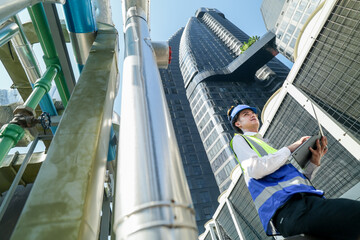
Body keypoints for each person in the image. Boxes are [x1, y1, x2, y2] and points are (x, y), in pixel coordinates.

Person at [227, 104, 360, 240]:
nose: (252, 115)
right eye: (245, 114)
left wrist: (314, 161)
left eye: (252, 112)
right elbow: (255, 170)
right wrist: (291, 147)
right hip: (292, 209)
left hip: (299, 207)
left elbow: (298, 181)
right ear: (238, 124)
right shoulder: (240, 140)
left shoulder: (266, 148)